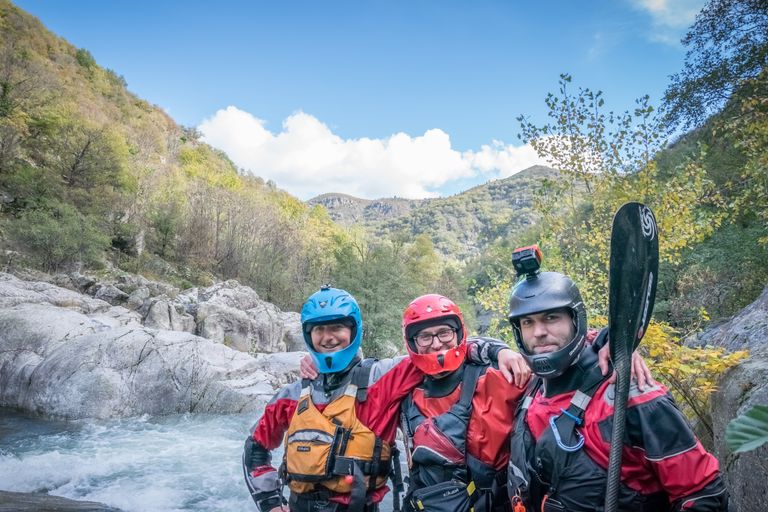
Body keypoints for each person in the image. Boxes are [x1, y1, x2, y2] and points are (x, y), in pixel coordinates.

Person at [243, 286, 528, 512]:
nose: (328, 337)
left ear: (353, 331)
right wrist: (269, 503)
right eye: (319, 330)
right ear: (308, 335)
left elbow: (444, 348)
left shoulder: (383, 378)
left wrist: (499, 351)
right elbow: (256, 449)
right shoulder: (291, 395)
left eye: (336, 328)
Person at [505, 252, 729, 511]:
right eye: (527, 322)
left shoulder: (629, 395)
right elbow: (460, 353)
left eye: (551, 318)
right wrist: (496, 350)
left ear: (574, 320)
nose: (539, 332)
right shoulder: (528, 384)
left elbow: (703, 494)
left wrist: (618, 342)